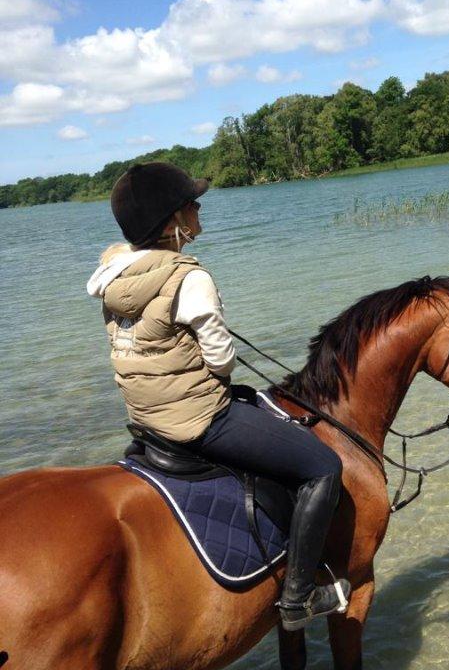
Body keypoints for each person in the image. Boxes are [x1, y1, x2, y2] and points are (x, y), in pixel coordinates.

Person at [87, 161, 350, 631]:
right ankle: (298, 600)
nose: (198, 208)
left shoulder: (114, 274)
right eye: (192, 203)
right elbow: (221, 362)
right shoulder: (190, 278)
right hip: (198, 420)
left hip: (147, 418)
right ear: (174, 223)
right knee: (323, 467)